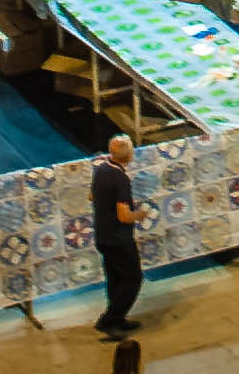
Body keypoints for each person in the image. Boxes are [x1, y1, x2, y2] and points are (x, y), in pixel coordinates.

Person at [92, 129, 144, 333]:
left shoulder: (101, 170)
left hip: (103, 234)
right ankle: (109, 319)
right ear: (129, 155)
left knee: (115, 278)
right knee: (132, 278)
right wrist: (138, 215)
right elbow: (123, 215)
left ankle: (118, 318)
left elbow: (92, 196)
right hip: (118, 238)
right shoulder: (121, 178)